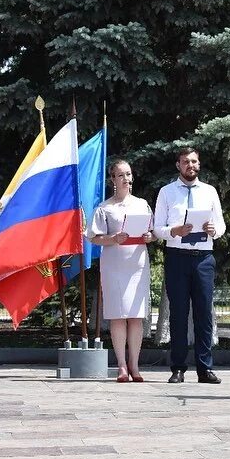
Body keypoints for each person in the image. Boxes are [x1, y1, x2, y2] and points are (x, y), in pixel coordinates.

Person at [153, 147, 226, 384]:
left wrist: (214, 230)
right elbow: (157, 229)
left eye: (194, 161)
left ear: (199, 165)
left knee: (204, 313)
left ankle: (205, 368)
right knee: (179, 314)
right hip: (177, 257)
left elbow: (221, 225)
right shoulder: (166, 192)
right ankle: (178, 368)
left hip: (203, 259)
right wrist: (173, 231)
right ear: (178, 165)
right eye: (186, 162)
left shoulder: (209, 191)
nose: (190, 166)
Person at [87, 160, 154, 382]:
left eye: (128, 174)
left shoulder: (142, 204)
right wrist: (112, 238)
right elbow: (93, 237)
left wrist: (149, 237)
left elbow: (152, 232)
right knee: (117, 315)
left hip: (137, 264)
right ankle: (122, 366)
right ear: (113, 180)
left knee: (136, 316)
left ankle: (135, 366)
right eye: (121, 175)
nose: (126, 179)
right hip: (114, 264)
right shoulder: (105, 208)